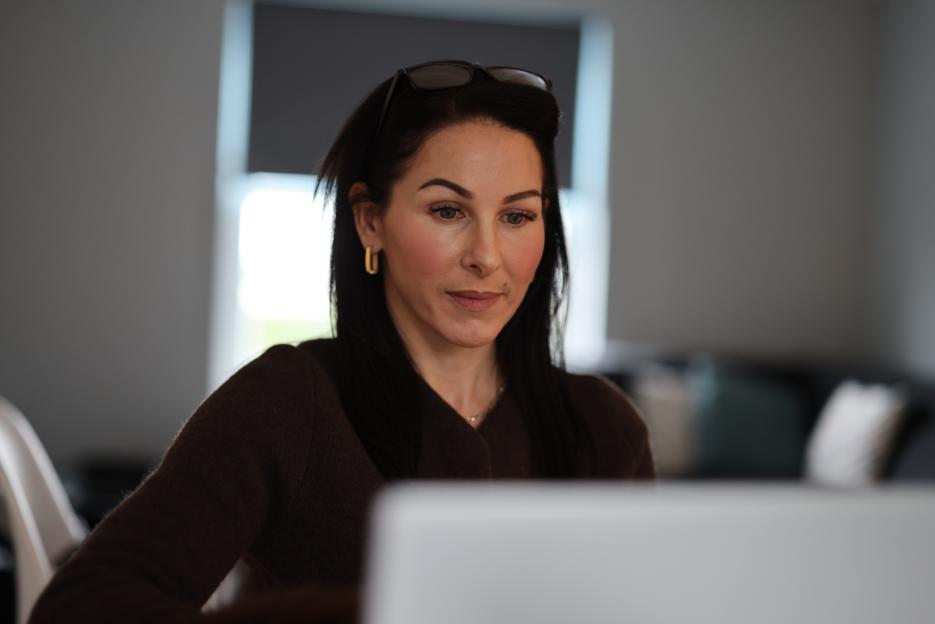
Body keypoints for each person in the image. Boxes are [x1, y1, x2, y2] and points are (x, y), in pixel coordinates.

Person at [29, 59, 654, 624]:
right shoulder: (287, 402)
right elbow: (82, 605)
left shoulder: (604, 426)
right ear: (370, 221)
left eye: (517, 216)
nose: (487, 256)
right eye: (447, 211)